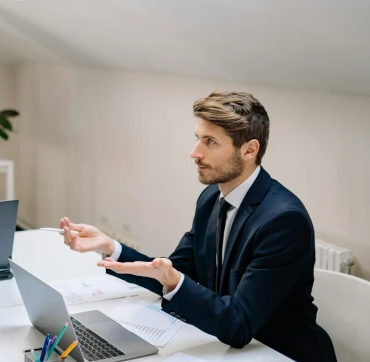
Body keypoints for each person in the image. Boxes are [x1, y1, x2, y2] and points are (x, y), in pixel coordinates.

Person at [60, 91, 336, 362]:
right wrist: (111, 247)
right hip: (230, 346)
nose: (195, 153)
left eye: (211, 142)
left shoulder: (284, 220)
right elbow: (176, 270)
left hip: (278, 351)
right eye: (197, 139)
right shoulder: (211, 198)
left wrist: (173, 281)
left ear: (250, 149)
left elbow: (239, 324)